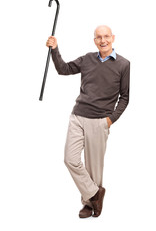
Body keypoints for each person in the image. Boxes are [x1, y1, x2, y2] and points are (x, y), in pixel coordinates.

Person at [46, 25, 130, 218]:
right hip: (78, 116)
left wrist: (110, 120)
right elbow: (63, 69)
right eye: (99, 37)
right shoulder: (87, 59)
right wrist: (55, 49)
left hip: (100, 121)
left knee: (94, 167)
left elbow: (125, 97)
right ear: (94, 40)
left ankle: (88, 205)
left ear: (113, 38)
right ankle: (94, 194)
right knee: (70, 159)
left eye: (106, 36)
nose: (103, 40)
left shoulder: (124, 64)